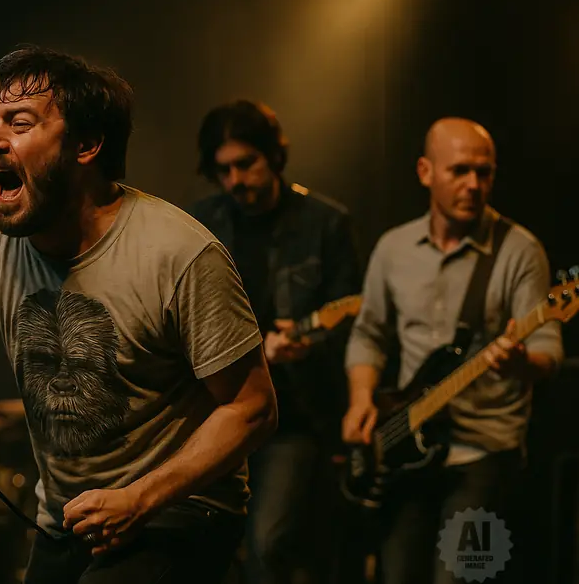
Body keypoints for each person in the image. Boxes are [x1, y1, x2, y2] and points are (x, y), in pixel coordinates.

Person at [0, 45, 278, 584]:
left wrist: (139, 497)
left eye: (20, 123)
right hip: (66, 520)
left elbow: (252, 407)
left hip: (179, 513)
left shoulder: (178, 252)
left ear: (86, 144)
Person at [342, 117, 563, 584]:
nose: (474, 184)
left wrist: (520, 362)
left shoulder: (519, 251)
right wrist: (361, 400)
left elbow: (548, 352)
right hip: (408, 444)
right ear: (425, 171)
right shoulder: (394, 248)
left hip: (484, 454)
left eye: (485, 172)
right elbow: (369, 335)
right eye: (460, 171)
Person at [187, 100, 361, 584]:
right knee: (206, 547)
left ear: (275, 156)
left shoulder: (324, 222)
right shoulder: (199, 223)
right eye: (223, 170)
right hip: (212, 412)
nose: (235, 180)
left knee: (268, 545)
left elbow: (354, 319)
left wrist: (310, 344)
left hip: (292, 416)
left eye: (246, 164)